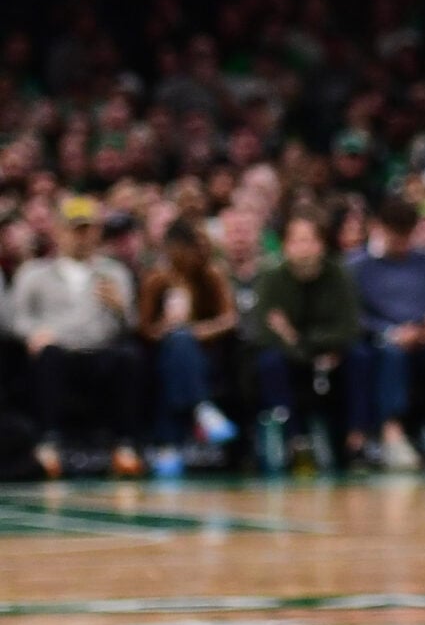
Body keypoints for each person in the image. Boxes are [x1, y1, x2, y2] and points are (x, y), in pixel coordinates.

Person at [7, 196, 142, 478]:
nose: (82, 236)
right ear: (59, 231)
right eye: (75, 229)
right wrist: (34, 333)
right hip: (56, 351)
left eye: (89, 229)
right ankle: (49, 443)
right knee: (48, 356)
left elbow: (130, 324)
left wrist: (120, 309)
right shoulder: (35, 273)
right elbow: (16, 318)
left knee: (128, 357)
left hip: (100, 351)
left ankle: (125, 445)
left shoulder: (113, 272)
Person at [347, 197, 425, 470]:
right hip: (386, 341)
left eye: (407, 234)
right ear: (379, 228)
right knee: (392, 355)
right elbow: (354, 317)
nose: (402, 241)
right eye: (396, 234)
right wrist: (389, 332)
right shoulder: (358, 266)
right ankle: (391, 433)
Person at [247, 212, 362, 472]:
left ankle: (358, 441)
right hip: (292, 358)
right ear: (285, 246)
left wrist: (297, 338)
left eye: (310, 240)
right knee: (269, 362)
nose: (304, 248)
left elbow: (348, 329)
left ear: (322, 244)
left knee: (360, 356)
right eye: (297, 241)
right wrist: (307, 352)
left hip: (332, 356)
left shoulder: (339, 275)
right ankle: (293, 441)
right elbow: (267, 334)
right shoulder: (271, 278)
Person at [135, 218, 241, 477]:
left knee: (182, 342)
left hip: (206, 355)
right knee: (175, 351)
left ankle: (168, 446)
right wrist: (166, 330)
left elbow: (230, 319)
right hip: (164, 355)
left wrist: (196, 332)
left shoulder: (212, 275)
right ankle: (201, 408)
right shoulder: (156, 280)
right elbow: (145, 328)